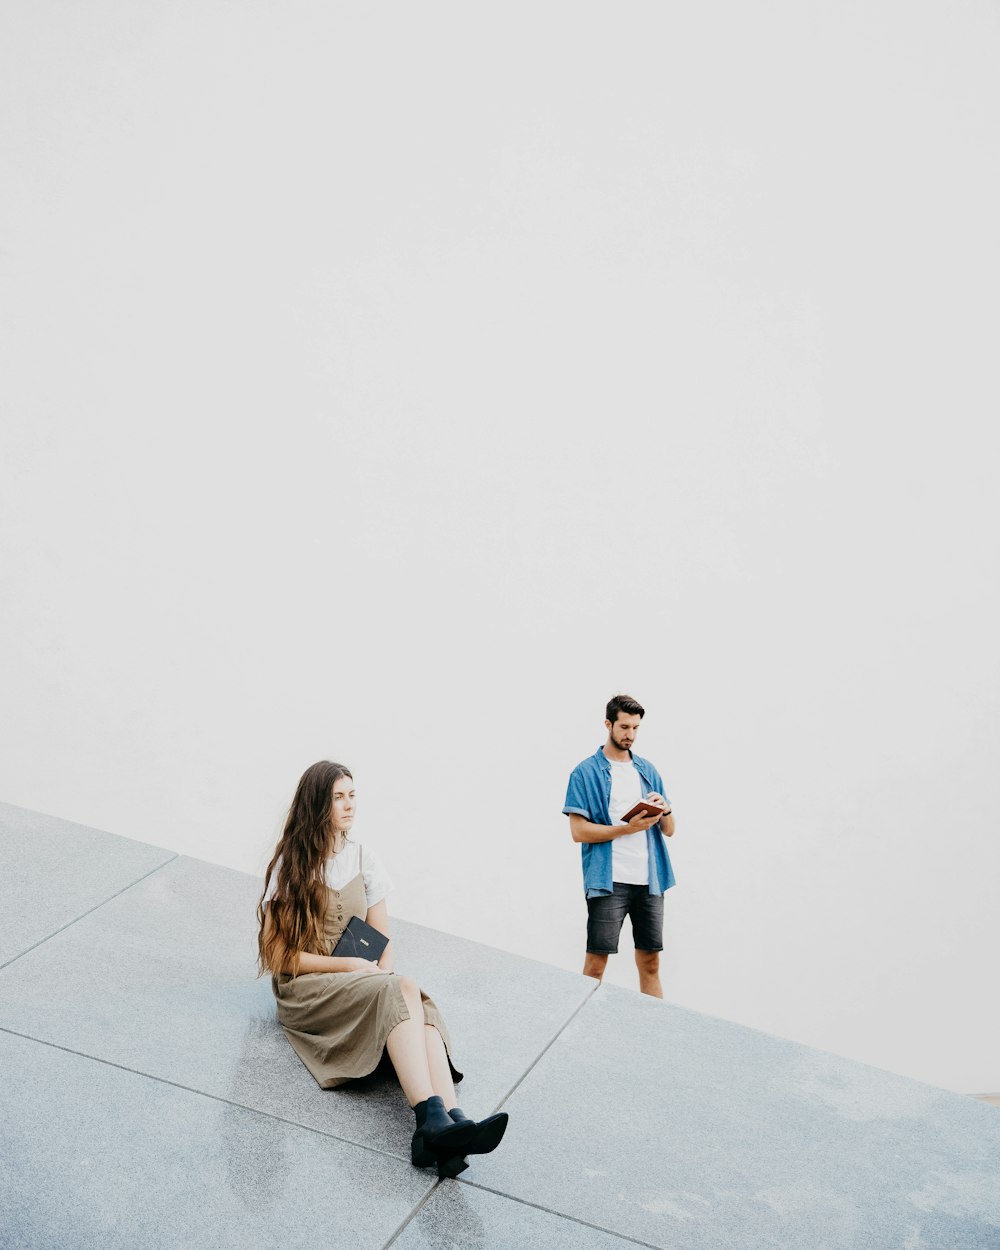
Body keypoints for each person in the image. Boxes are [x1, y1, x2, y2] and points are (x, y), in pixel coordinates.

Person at [258, 760, 508, 1178]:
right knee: (402, 991)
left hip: (359, 980)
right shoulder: (291, 865)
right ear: (317, 805)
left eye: (352, 795)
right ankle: (431, 1125)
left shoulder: (364, 858)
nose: (349, 805)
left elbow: (382, 942)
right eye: (338, 797)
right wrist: (351, 966)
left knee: (416, 1001)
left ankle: (450, 1123)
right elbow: (278, 957)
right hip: (307, 989)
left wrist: (379, 973)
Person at [562, 694, 676, 997]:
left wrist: (664, 809)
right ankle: (579, 1035)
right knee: (596, 965)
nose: (630, 735)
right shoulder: (585, 772)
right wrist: (627, 828)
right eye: (625, 727)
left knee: (650, 963)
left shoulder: (647, 770)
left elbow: (670, 830)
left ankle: (653, 1031)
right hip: (608, 881)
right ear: (608, 724)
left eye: (636, 728)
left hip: (649, 881)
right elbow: (578, 831)